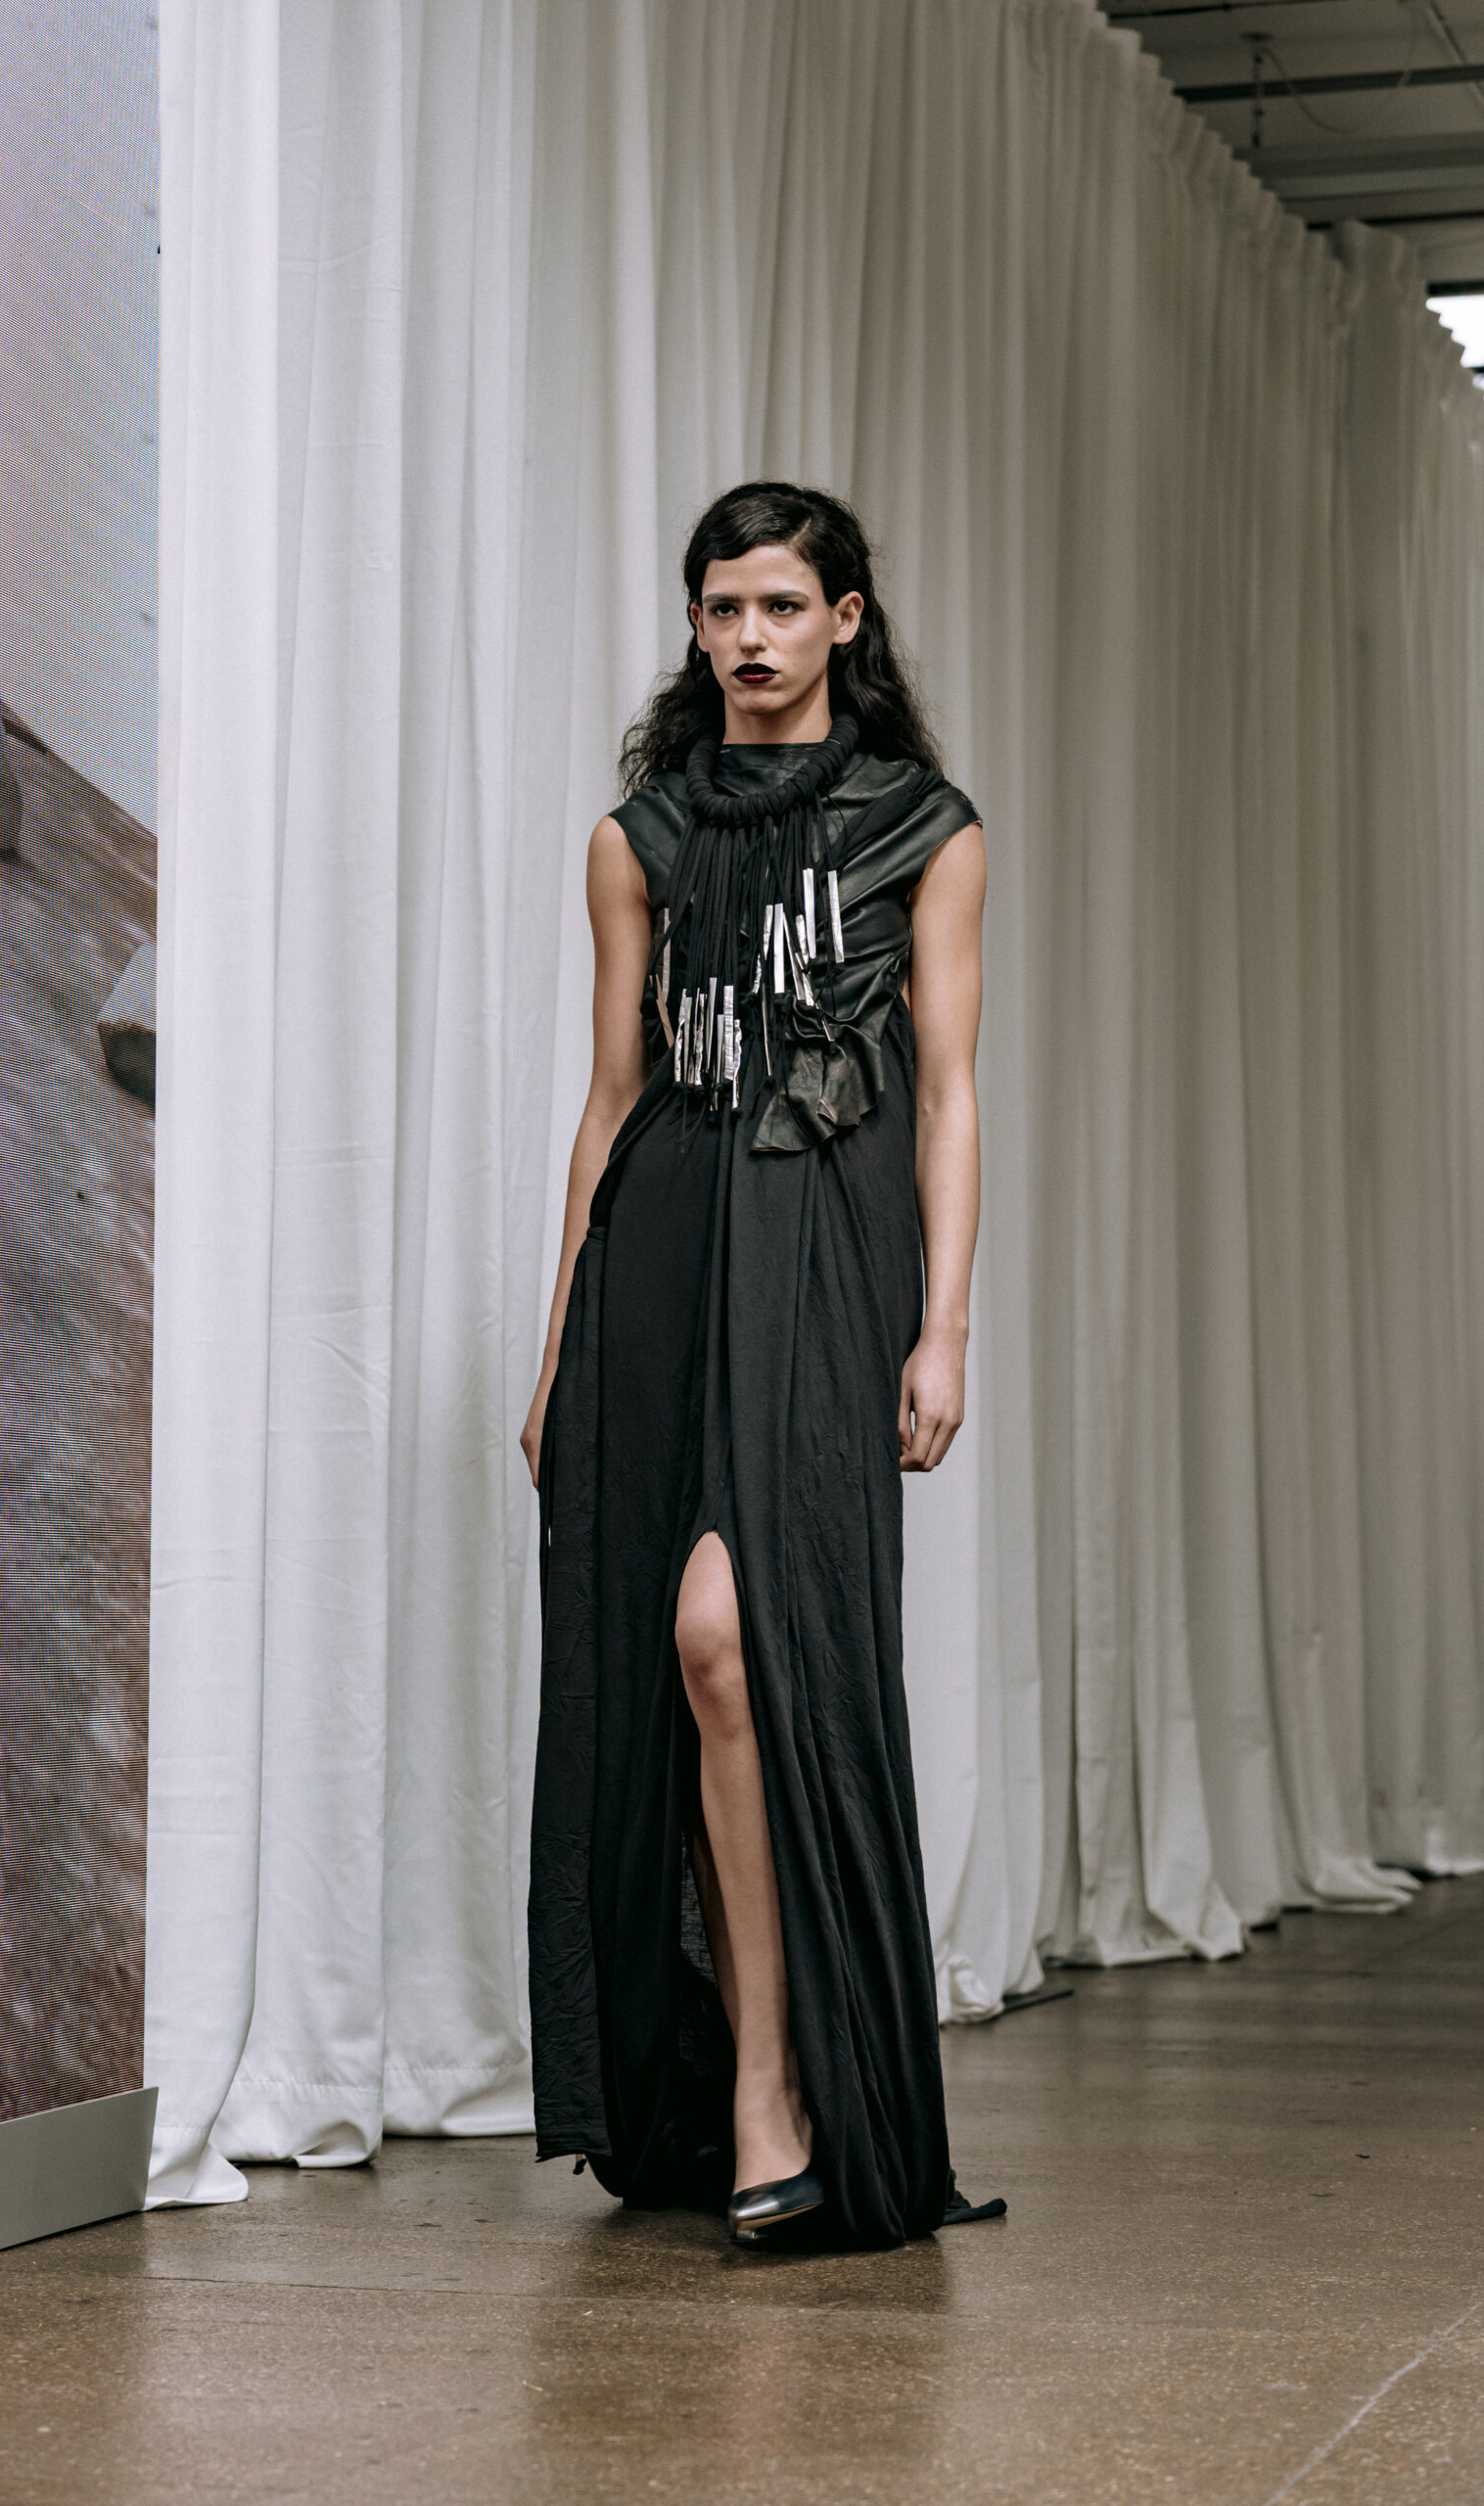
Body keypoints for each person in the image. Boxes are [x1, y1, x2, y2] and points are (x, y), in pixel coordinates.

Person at [522, 481, 997, 2251]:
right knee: (679, 1666)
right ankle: (743, 2082)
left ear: (846, 621)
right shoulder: (635, 840)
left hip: (825, 1259)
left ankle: (780, 2086)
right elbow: (612, 1104)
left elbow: (947, 1096)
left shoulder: (927, 830)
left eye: (783, 605)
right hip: (659, 1261)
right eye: (723, 607)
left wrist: (943, 1325)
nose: (750, 637)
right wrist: (561, 1348)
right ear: (696, 624)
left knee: (738, 1640)